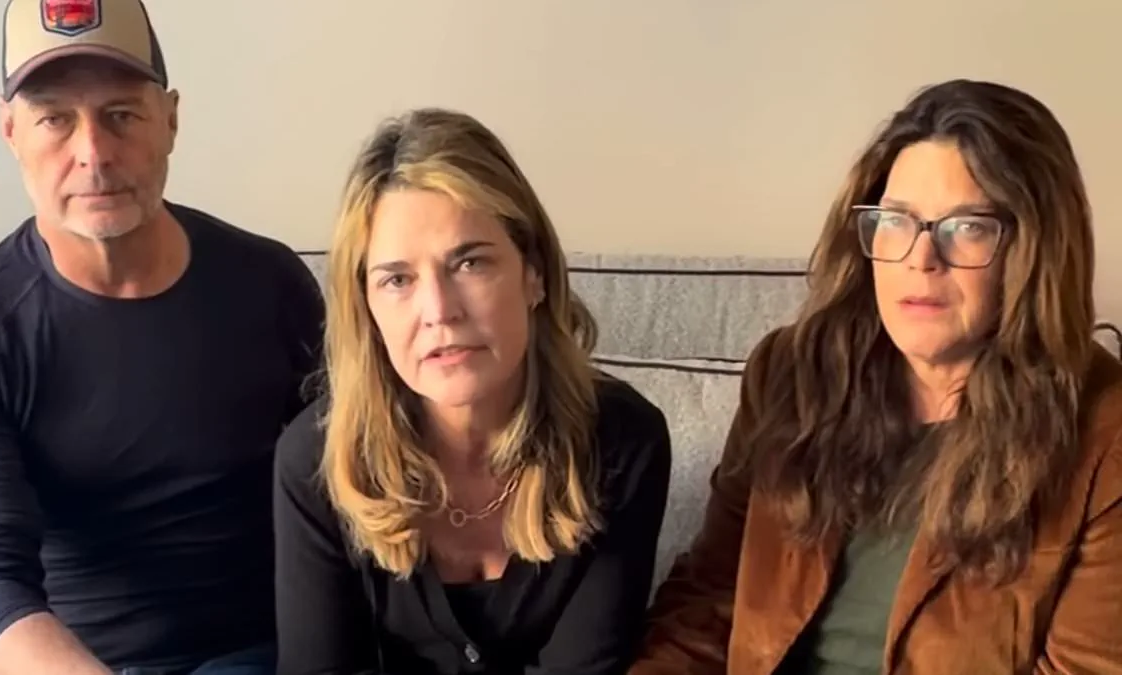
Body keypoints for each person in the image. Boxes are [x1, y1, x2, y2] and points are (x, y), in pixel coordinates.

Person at [629, 79, 1122, 674]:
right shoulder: (791, 375)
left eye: (967, 227)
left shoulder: (1105, 434)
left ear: (1035, 250)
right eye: (895, 220)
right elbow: (708, 600)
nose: (920, 258)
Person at [0, 1, 325, 673]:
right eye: (55, 119)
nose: (94, 153)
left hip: (250, 652)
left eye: (121, 114)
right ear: (10, 130)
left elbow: (348, 486)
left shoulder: (270, 282)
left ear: (170, 119)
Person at [272, 107, 673, 675]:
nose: (439, 311)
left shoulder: (623, 442)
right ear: (367, 309)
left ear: (533, 273)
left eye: (469, 263)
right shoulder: (315, 462)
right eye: (397, 279)